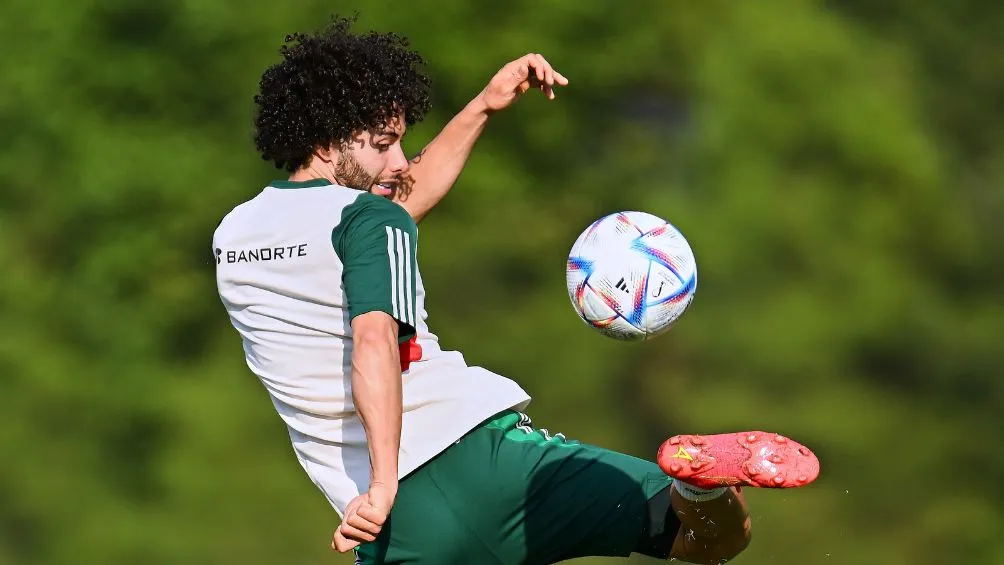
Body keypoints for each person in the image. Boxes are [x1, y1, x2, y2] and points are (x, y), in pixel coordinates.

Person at [213, 15, 819, 565]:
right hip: (484, 466)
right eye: (382, 144)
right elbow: (373, 338)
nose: (400, 160)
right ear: (326, 143)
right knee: (706, 540)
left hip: (401, 527)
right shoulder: (373, 221)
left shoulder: (234, 238)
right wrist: (384, 480)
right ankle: (695, 484)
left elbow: (392, 203)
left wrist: (480, 107)